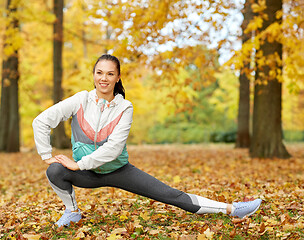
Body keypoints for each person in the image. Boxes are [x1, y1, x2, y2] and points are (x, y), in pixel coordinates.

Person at [32, 54, 262, 227]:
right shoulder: (80, 100)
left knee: (172, 195)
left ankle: (233, 209)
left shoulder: (125, 107)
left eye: (110, 74)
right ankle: (72, 211)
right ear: (93, 75)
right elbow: (41, 122)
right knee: (55, 171)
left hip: (118, 170)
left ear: (117, 77)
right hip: (87, 174)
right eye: (99, 72)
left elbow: (113, 149)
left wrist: (78, 164)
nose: (104, 78)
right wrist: (46, 155)